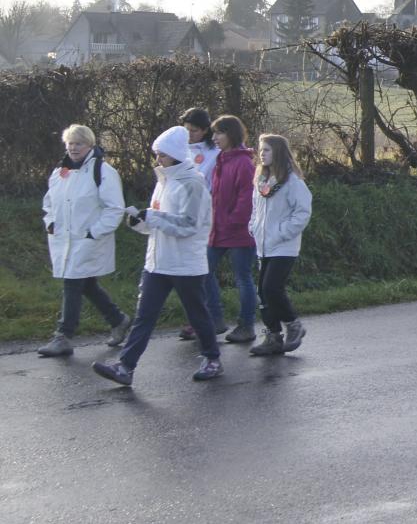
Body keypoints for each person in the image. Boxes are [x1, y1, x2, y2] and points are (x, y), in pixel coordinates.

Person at [92, 126, 220, 385]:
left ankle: (212, 358)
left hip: (186, 264)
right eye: (157, 154)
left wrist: (154, 217)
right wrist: (140, 222)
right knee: (144, 316)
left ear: (174, 154)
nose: (157, 159)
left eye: (161, 154)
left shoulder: (192, 184)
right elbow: (157, 218)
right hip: (157, 262)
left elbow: (189, 225)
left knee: (197, 314)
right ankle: (125, 367)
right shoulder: (164, 181)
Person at [37, 124, 131, 357]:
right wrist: (50, 223)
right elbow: (48, 203)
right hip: (65, 239)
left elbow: (114, 208)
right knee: (85, 283)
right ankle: (118, 319)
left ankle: (63, 335)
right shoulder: (60, 172)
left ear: (89, 145)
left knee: (72, 282)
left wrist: (94, 232)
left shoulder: (103, 171)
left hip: (88, 240)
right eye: (70, 143)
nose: (73, 147)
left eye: (79, 143)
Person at [191, 114, 258, 345]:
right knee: (203, 271)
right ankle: (215, 318)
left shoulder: (243, 162)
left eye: (219, 132)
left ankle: (246, 325)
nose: (215, 137)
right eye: (214, 133)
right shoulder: (222, 158)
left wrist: (232, 221)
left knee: (243, 278)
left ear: (231, 134)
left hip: (238, 231)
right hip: (217, 228)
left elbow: (246, 197)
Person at [246, 134, 313, 355]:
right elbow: (256, 208)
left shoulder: (292, 181)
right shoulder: (262, 180)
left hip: (283, 246)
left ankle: (293, 325)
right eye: (261, 150)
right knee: (262, 293)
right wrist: (253, 226)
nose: (261, 153)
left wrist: (282, 233)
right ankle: (273, 336)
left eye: (266, 150)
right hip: (263, 244)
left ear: (279, 152)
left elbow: (302, 212)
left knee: (271, 287)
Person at [181, 107, 219, 189]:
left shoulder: (216, 152)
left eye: (194, 130)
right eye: (186, 130)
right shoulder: (178, 149)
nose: (189, 134)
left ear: (205, 130)